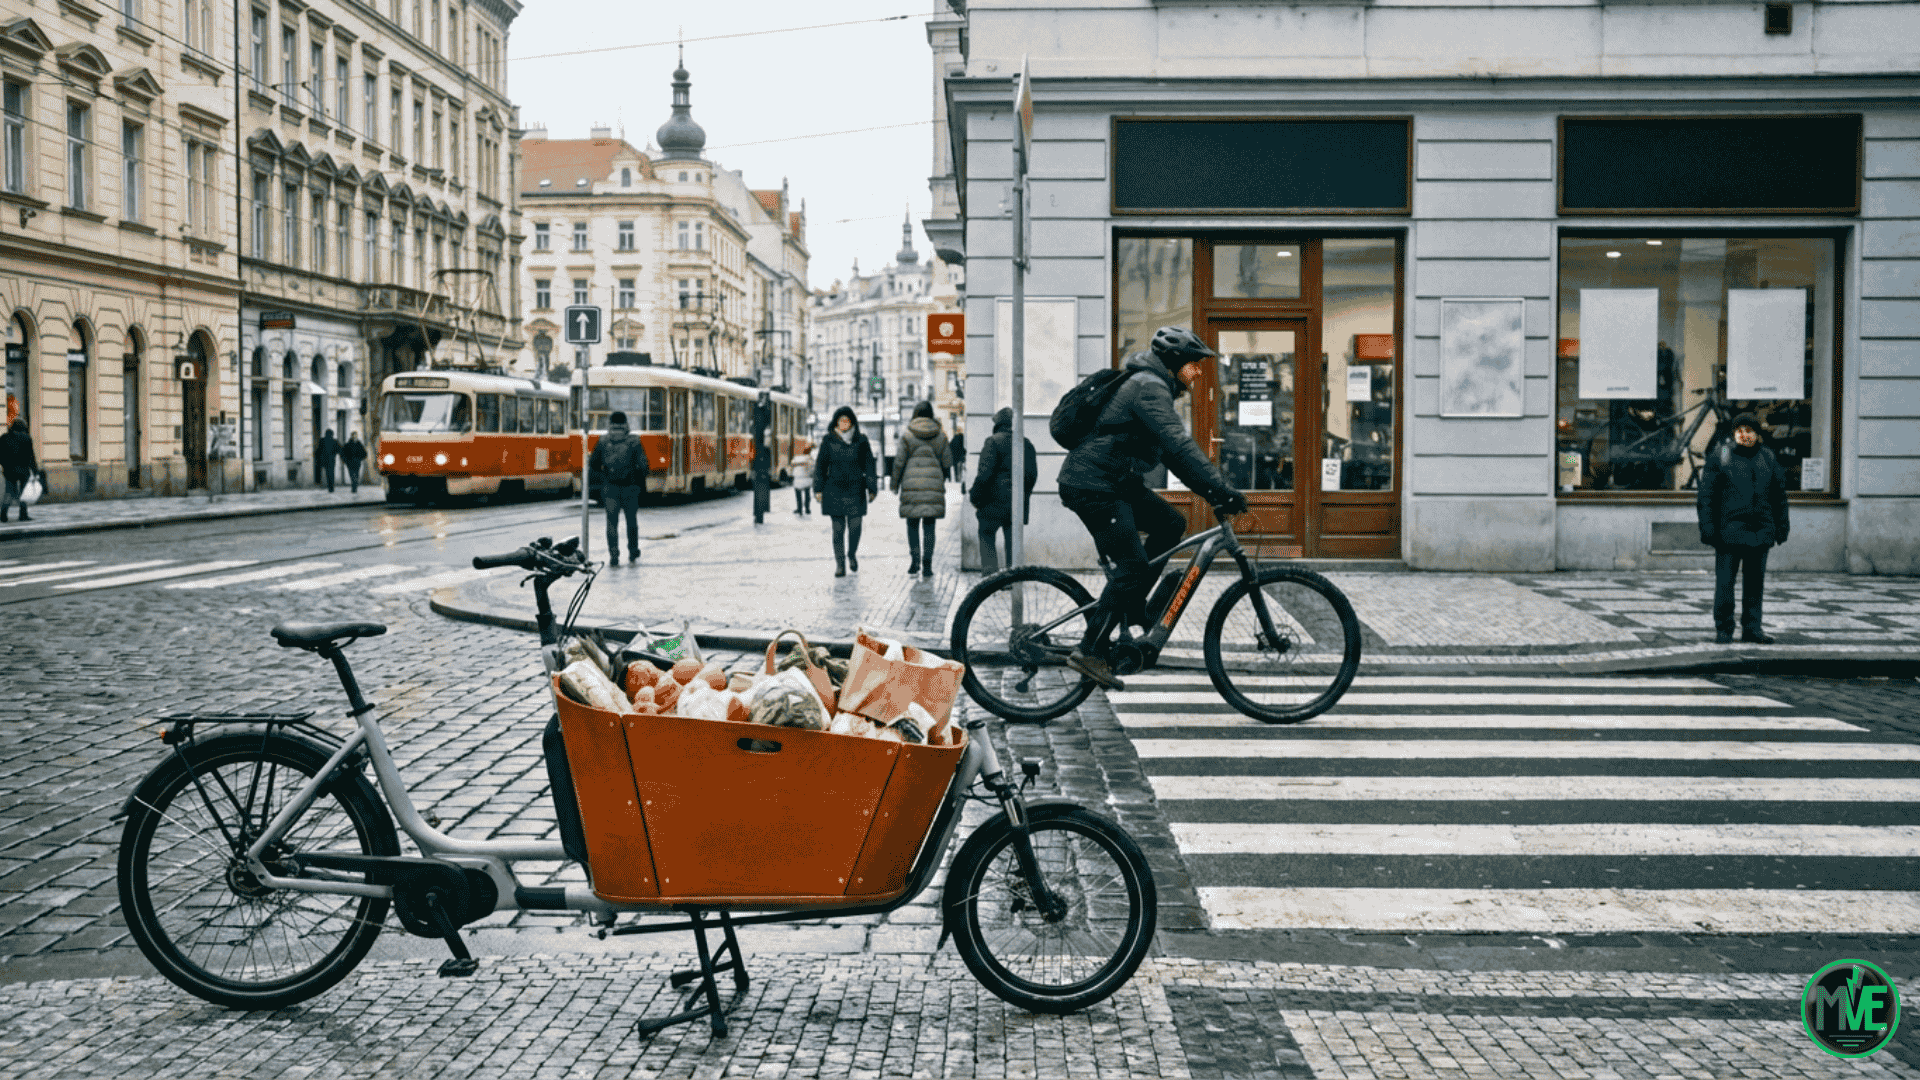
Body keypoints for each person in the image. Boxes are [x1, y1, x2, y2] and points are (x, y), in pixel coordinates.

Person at [1057, 326, 1247, 688]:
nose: (1196, 372)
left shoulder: (1153, 385)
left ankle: (1132, 606)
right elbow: (1179, 446)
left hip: (1115, 480)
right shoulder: (1148, 386)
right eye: (1193, 364)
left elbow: (1174, 456)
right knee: (1131, 566)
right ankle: (1090, 650)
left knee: (1170, 524)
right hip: (1094, 484)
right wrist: (1220, 490)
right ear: (1175, 362)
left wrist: (1211, 491)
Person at [1697, 414, 1789, 644]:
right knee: (1725, 584)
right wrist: (1708, 528)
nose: (1744, 435)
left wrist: (1782, 526)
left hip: (1760, 531)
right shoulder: (1722, 454)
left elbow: (1778, 495)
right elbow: (1707, 495)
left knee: (1755, 585)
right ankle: (1724, 629)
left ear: (1757, 434)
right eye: (1740, 431)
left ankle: (1752, 628)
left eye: (1749, 431)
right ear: (1734, 433)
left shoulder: (1767, 456)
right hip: (1728, 532)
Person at [970, 407, 1036, 574]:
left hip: (993, 503)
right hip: (1017, 503)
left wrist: (975, 497)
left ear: (997, 424)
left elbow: (984, 475)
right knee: (1012, 544)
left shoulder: (992, 441)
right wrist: (1023, 497)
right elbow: (1031, 476)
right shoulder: (1026, 443)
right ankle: (1011, 579)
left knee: (986, 535)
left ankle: (990, 578)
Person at [893, 401, 953, 579]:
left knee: (912, 524)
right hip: (933, 485)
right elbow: (947, 462)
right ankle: (927, 564)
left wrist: (894, 484)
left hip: (911, 485)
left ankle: (914, 561)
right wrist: (942, 478)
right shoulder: (940, 436)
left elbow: (899, 462)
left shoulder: (907, 435)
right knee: (929, 525)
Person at [817, 406, 877, 578]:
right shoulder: (828, 440)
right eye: (841, 420)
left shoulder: (861, 440)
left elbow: (869, 466)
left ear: (852, 422)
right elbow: (820, 466)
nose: (844, 423)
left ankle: (851, 553)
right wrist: (818, 489)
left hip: (856, 490)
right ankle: (840, 564)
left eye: (847, 420)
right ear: (836, 422)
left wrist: (872, 488)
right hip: (834, 490)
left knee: (855, 527)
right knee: (838, 530)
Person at [589, 410, 649, 566]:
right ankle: (633, 551)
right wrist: (639, 481)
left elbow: (593, 464)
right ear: (625, 423)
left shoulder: (603, 441)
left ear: (610, 423)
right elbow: (644, 465)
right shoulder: (634, 440)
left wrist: (603, 480)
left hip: (609, 488)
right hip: (630, 487)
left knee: (611, 523)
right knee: (631, 521)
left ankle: (614, 555)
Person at [0, 417, 37, 523]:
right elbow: (31, 456)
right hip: (23, 470)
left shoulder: (4, 437)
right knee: (23, 493)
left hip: (9, 470)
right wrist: (35, 470)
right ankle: (23, 515)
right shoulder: (26, 438)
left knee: (9, 492)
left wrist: (4, 466)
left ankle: (3, 515)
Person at [791, 439, 813, 515]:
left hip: (798, 478)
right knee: (807, 494)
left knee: (798, 495)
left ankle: (799, 509)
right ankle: (807, 509)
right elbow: (811, 467)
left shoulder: (796, 458)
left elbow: (792, 465)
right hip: (806, 478)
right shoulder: (809, 458)